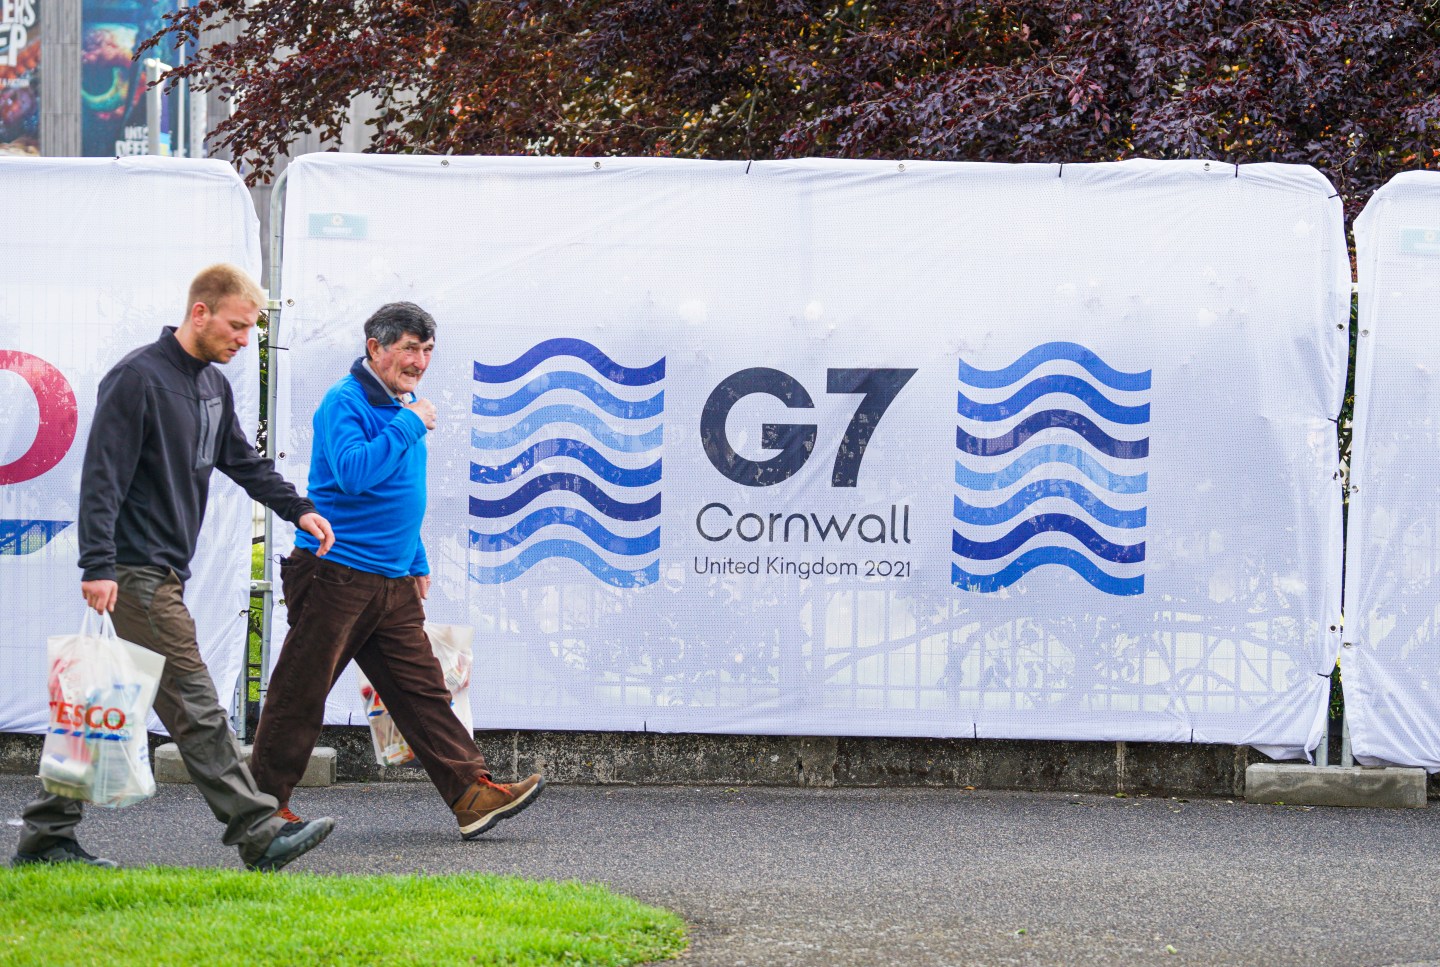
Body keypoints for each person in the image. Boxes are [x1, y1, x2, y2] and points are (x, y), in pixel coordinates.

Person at [13, 265, 338, 872]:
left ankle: (45, 837)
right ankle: (258, 830)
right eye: (238, 325)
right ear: (200, 313)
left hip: (165, 573)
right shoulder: (137, 378)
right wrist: (98, 565)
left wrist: (300, 509)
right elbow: (102, 476)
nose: (245, 339)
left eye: (252, 328)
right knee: (196, 701)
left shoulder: (215, 386)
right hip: (134, 572)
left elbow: (243, 461)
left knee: (104, 701)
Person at [250, 301, 544, 839]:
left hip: (391, 578)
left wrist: (417, 561)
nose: (420, 361)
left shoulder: (404, 402)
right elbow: (356, 475)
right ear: (376, 348)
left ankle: (472, 795)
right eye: (410, 348)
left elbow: (401, 496)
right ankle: (261, 810)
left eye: (428, 350)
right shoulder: (346, 402)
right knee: (301, 689)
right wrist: (410, 424)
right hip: (334, 573)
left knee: (422, 690)